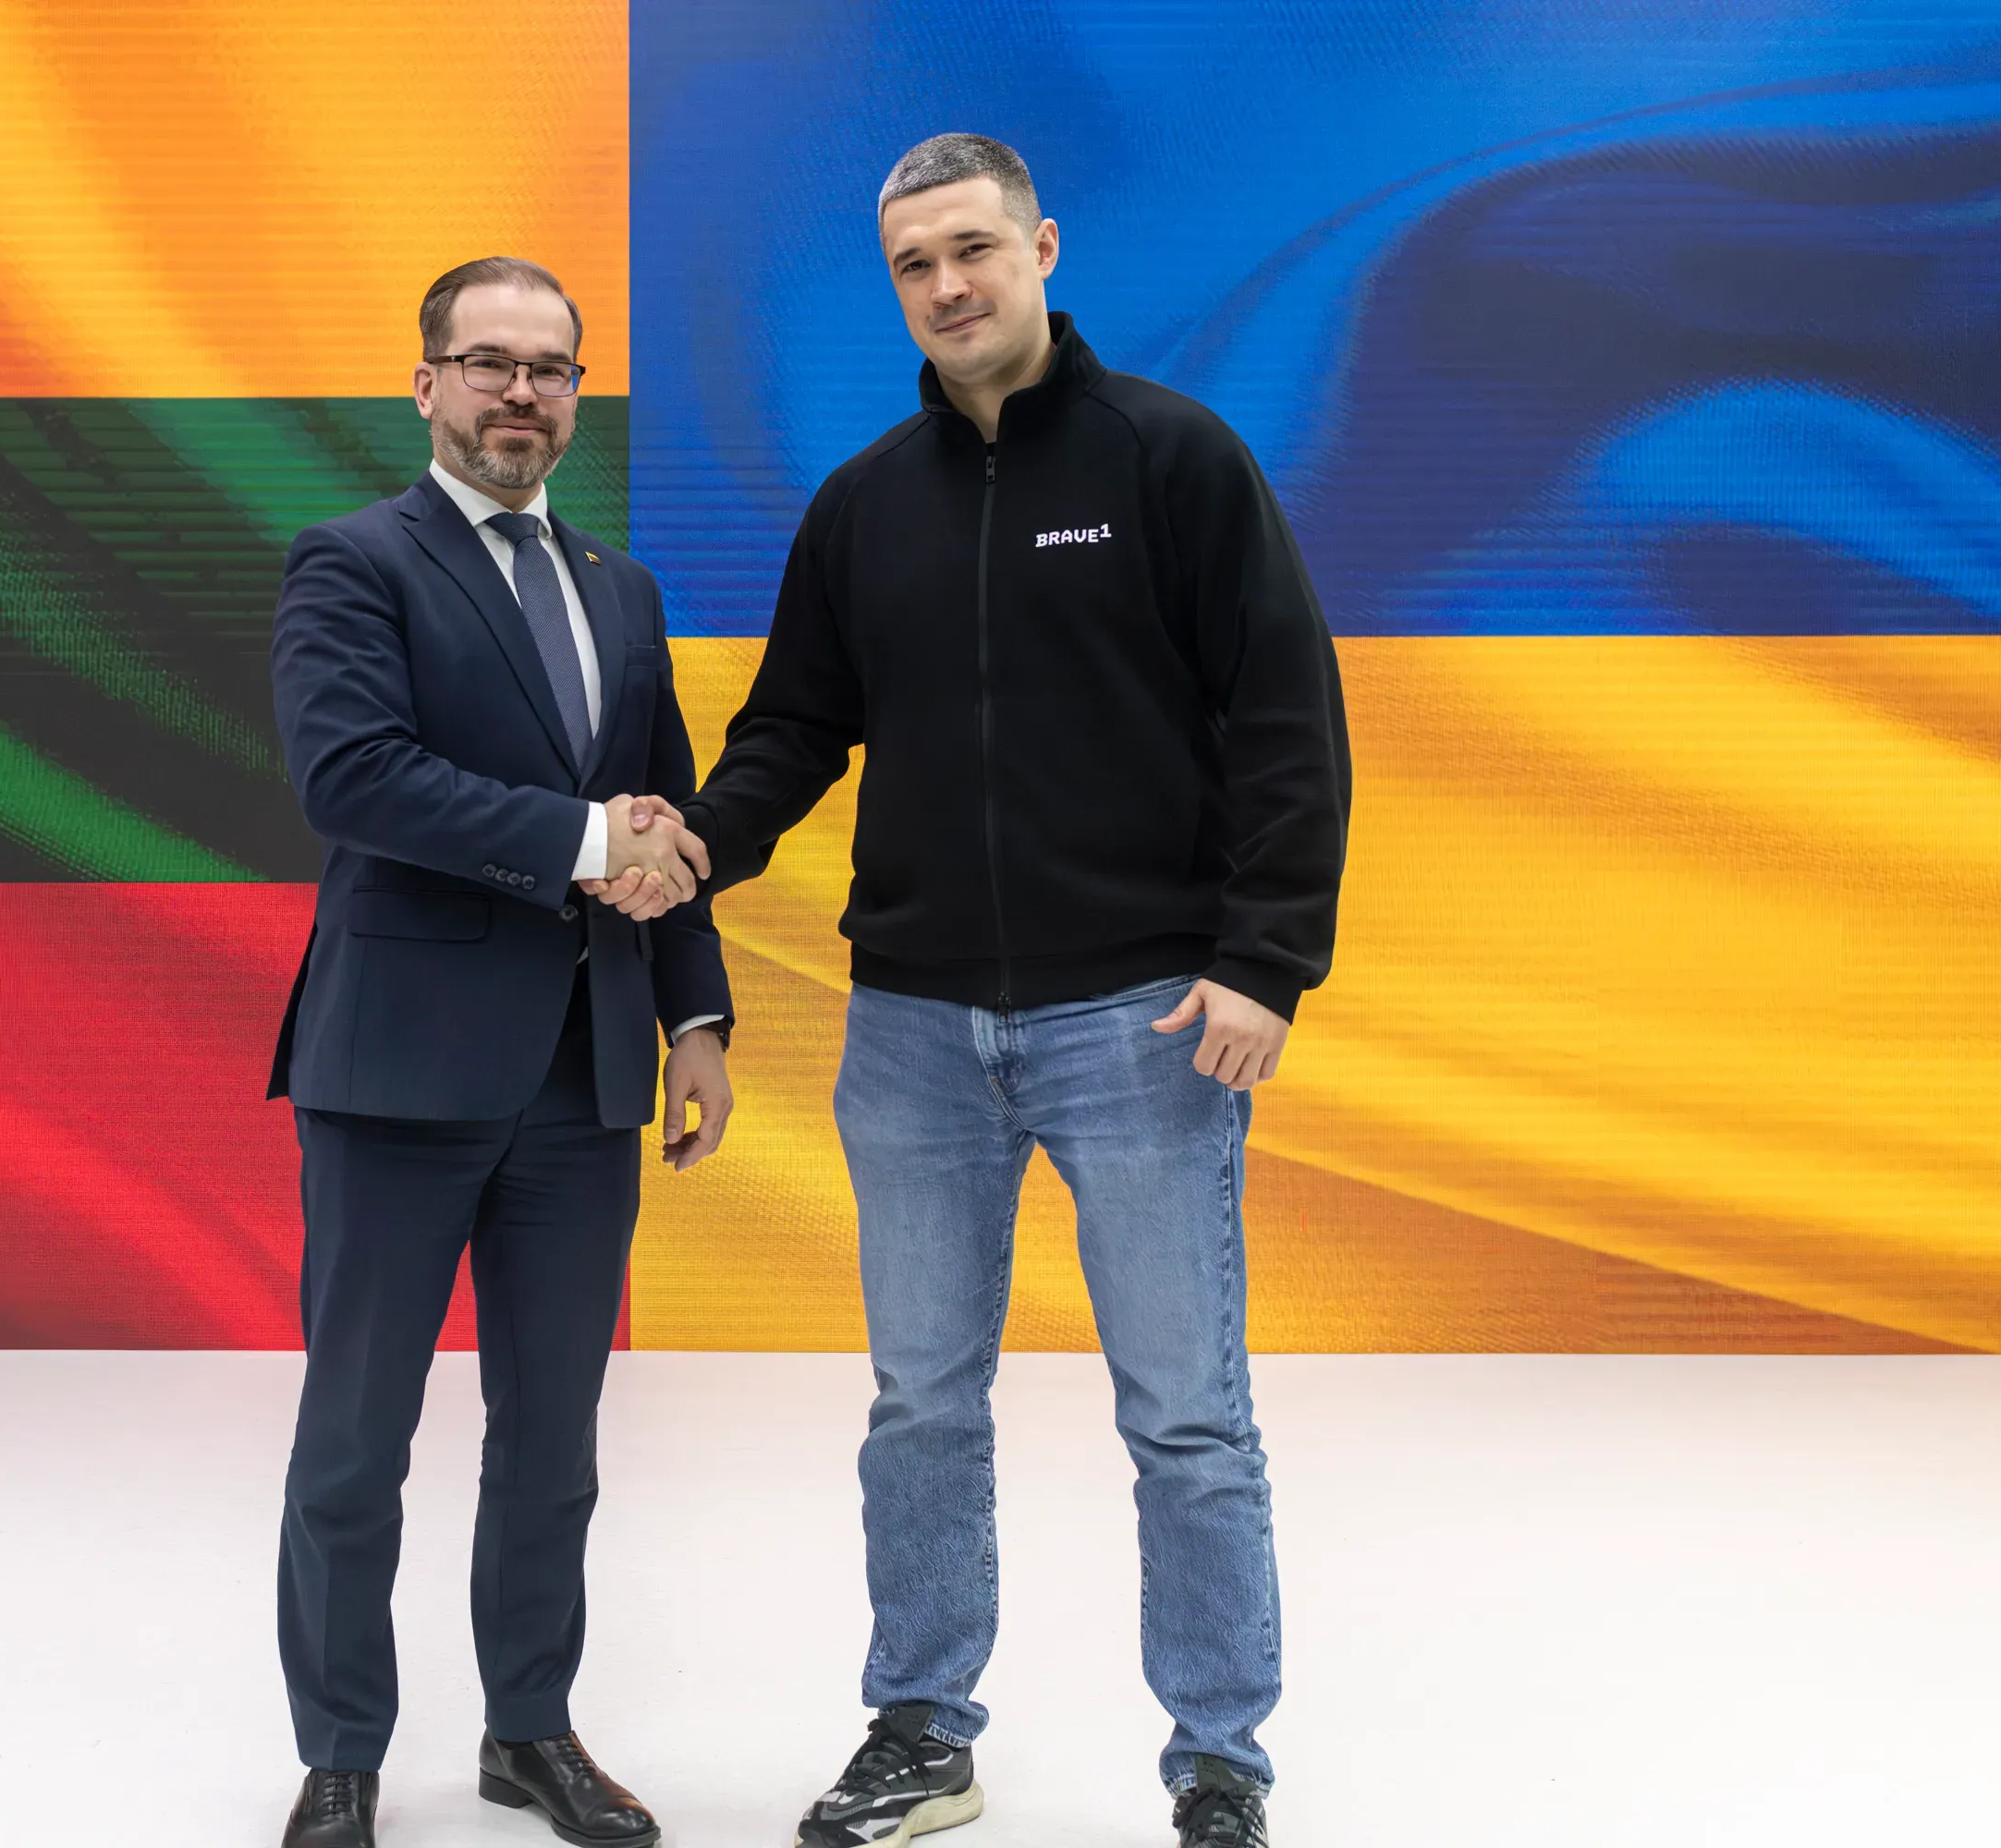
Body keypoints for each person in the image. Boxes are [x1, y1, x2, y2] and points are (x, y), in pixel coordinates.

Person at [659, 132, 1349, 1848]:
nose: (950, 287)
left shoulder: (1172, 461)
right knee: (920, 1402)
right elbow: (793, 733)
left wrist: (1264, 959)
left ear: (1042, 245)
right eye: (915, 264)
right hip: (911, 1030)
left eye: (975, 249)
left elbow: (1285, 723)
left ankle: (1219, 1760)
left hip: (1144, 1022)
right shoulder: (865, 502)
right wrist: (693, 852)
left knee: (1188, 1413)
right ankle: (922, 1729)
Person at [265, 255, 735, 1848]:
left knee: (555, 1442)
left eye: (550, 368)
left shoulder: (622, 588)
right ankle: (341, 1755)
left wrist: (700, 1016)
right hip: (398, 1068)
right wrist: (584, 833)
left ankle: (529, 1734)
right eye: (487, 364)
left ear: (578, 393)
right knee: (358, 1436)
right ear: (426, 384)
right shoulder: (352, 561)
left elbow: (663, 824)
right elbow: (355, 779)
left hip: (587, 1075)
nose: (520, 393)